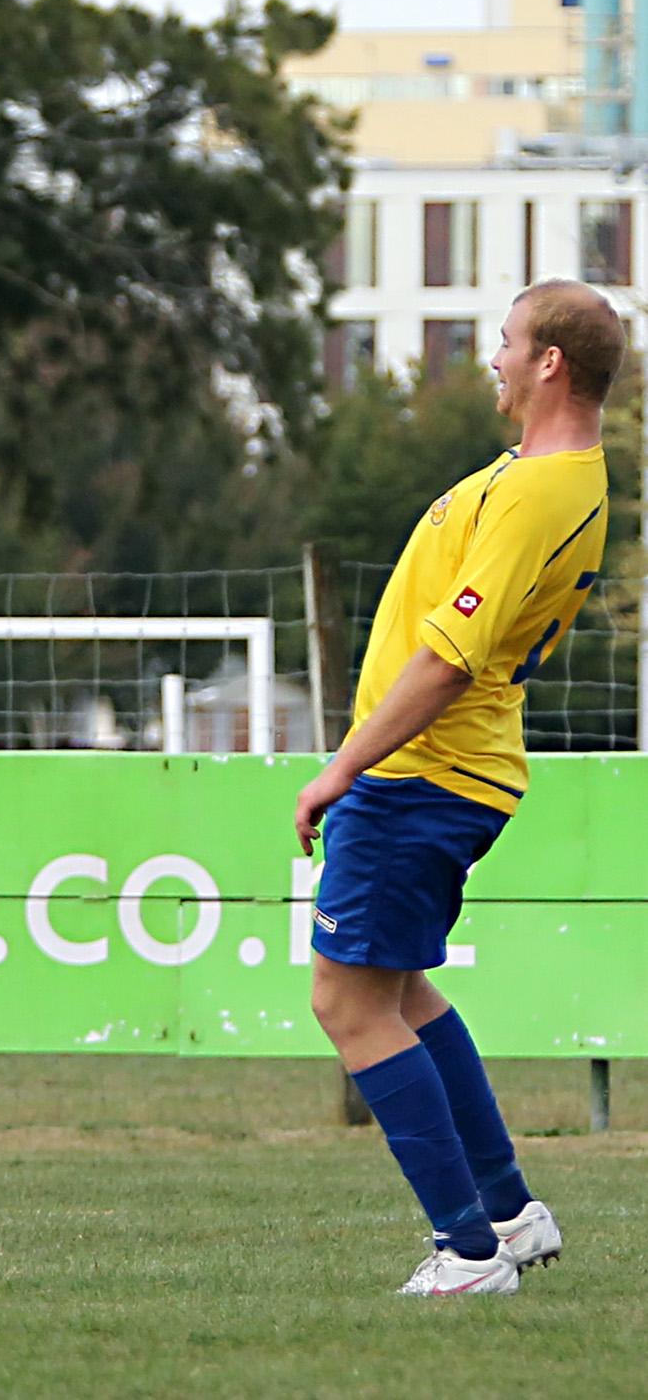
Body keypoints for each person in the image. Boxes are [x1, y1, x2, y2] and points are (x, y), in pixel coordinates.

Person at [293, 279, 622, 1298]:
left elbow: (446, 661)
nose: (493, 357)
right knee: (396, 993)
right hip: (444, 773)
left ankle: (468, 1253)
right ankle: (509, 1214)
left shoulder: (538, 493)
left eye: (506, 340)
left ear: (549, 362)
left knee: (346, 1004)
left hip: (420, 774)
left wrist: (344, 764)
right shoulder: (547, 477)